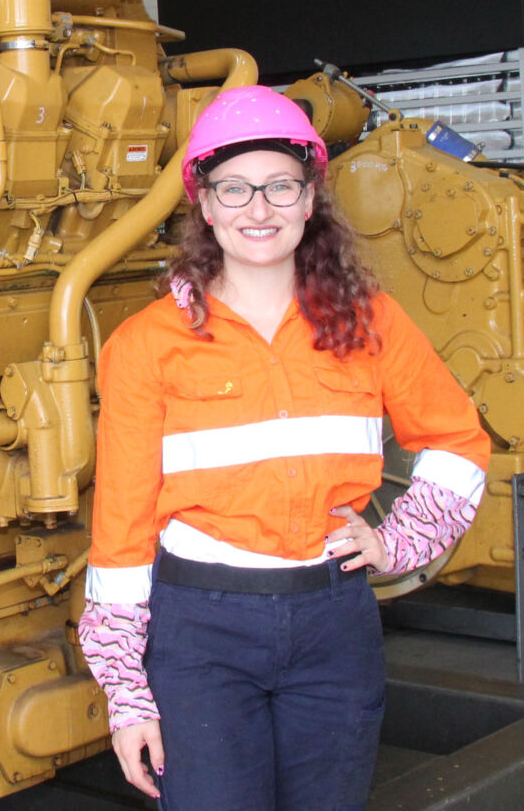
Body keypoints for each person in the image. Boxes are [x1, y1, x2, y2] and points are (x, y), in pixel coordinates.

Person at [77, 86, 491, 811]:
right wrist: (126, 693)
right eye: (234, 189)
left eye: (280, 187)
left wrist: (402, 540)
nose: (257, 210)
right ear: (203, 204)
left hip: (332, 622)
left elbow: (457, 438)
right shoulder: (146, 345)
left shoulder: (369, 321)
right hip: (200, 630)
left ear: (310, 200)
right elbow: (123, 525)